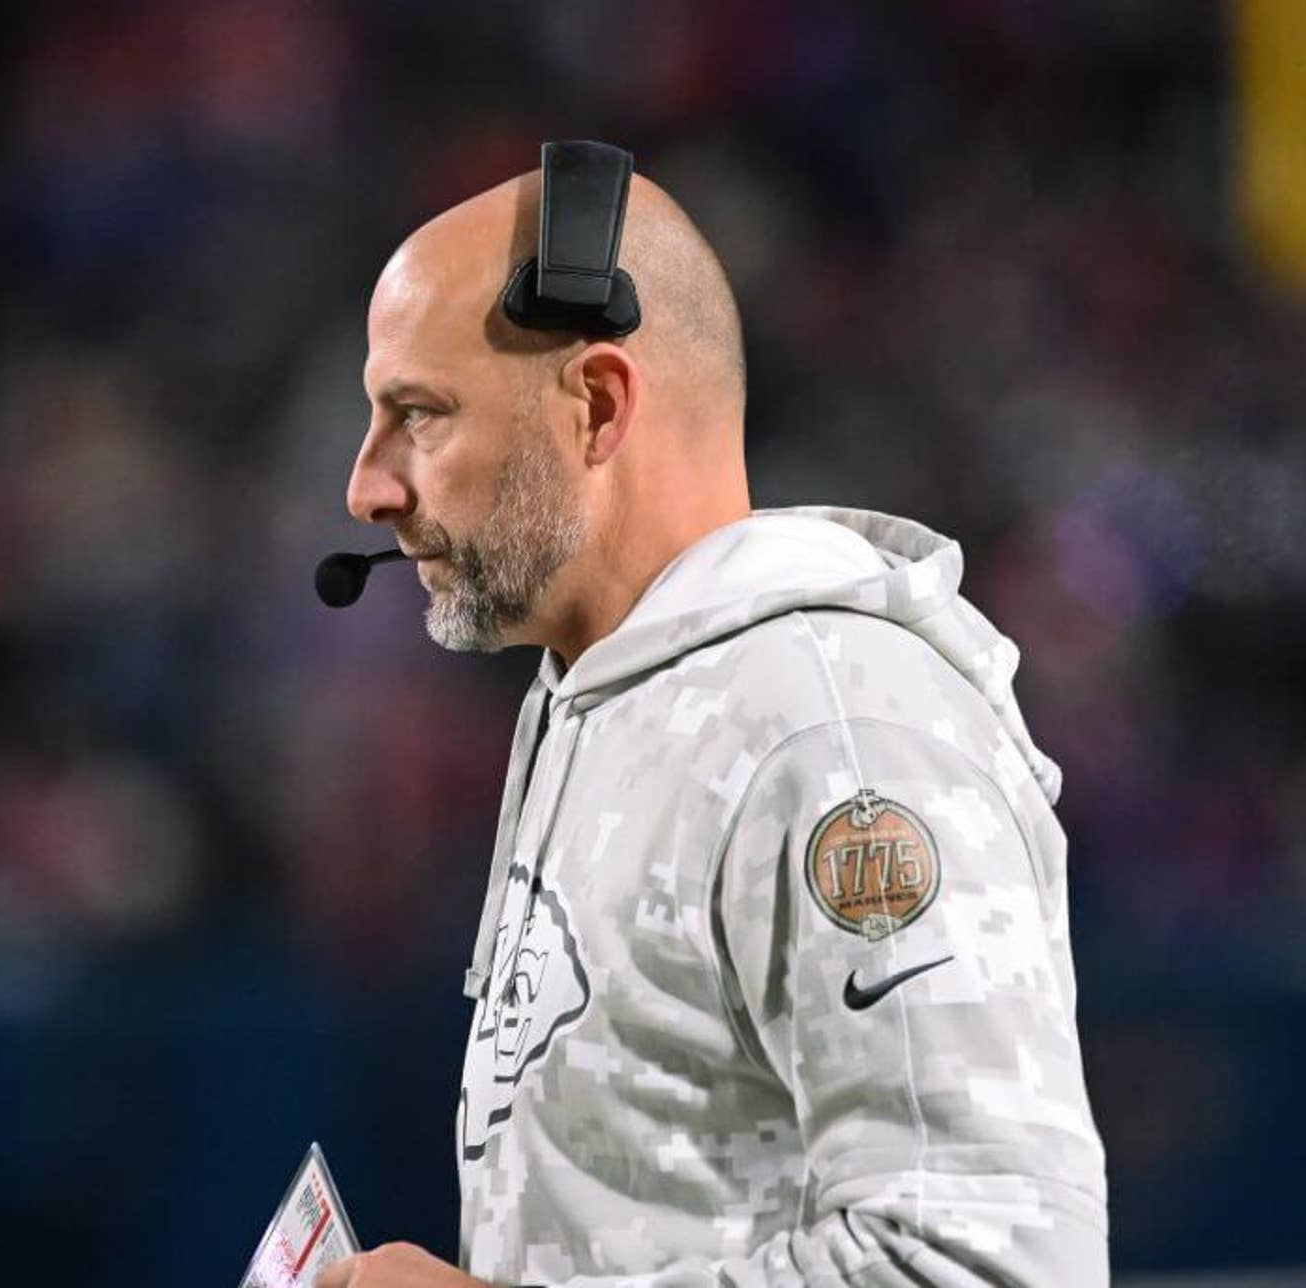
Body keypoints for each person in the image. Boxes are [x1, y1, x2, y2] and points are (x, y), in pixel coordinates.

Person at [316, 157, 1107, 1287]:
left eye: (419, 416)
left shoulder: (828, 729)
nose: (367, 487)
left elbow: (983, 1262)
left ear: (595, 406)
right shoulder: (608, 698)